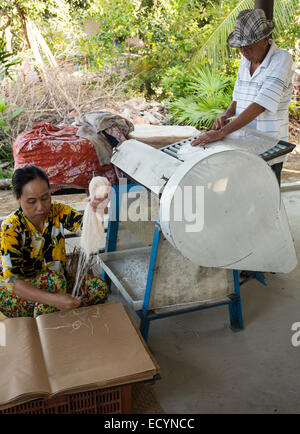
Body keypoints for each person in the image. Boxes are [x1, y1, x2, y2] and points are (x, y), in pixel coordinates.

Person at [191, 8, 294, 184]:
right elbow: (237, 100)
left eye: (248, 46)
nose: (243, 51)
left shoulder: (281, 59)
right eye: (240, 47)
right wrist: (225, 115)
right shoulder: (245, 62)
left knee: (265, 201)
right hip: (242, 144)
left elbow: (261, 104)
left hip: (268, 147)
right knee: (239, 198)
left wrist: (222, 132)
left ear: (264, 40)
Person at [0, 165, 109, 318]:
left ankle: (55, 309)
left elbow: (86, 226)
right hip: (19, 295)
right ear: (17, 198)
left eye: (45, 198)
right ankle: (47, 320)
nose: (41, 207)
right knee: (55, 281)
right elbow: (12, 282)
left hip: (58, 283)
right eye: (31, 201)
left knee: (98, 288)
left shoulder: (57, 211)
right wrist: (55, 300)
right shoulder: (11, 228)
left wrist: (96, 206)